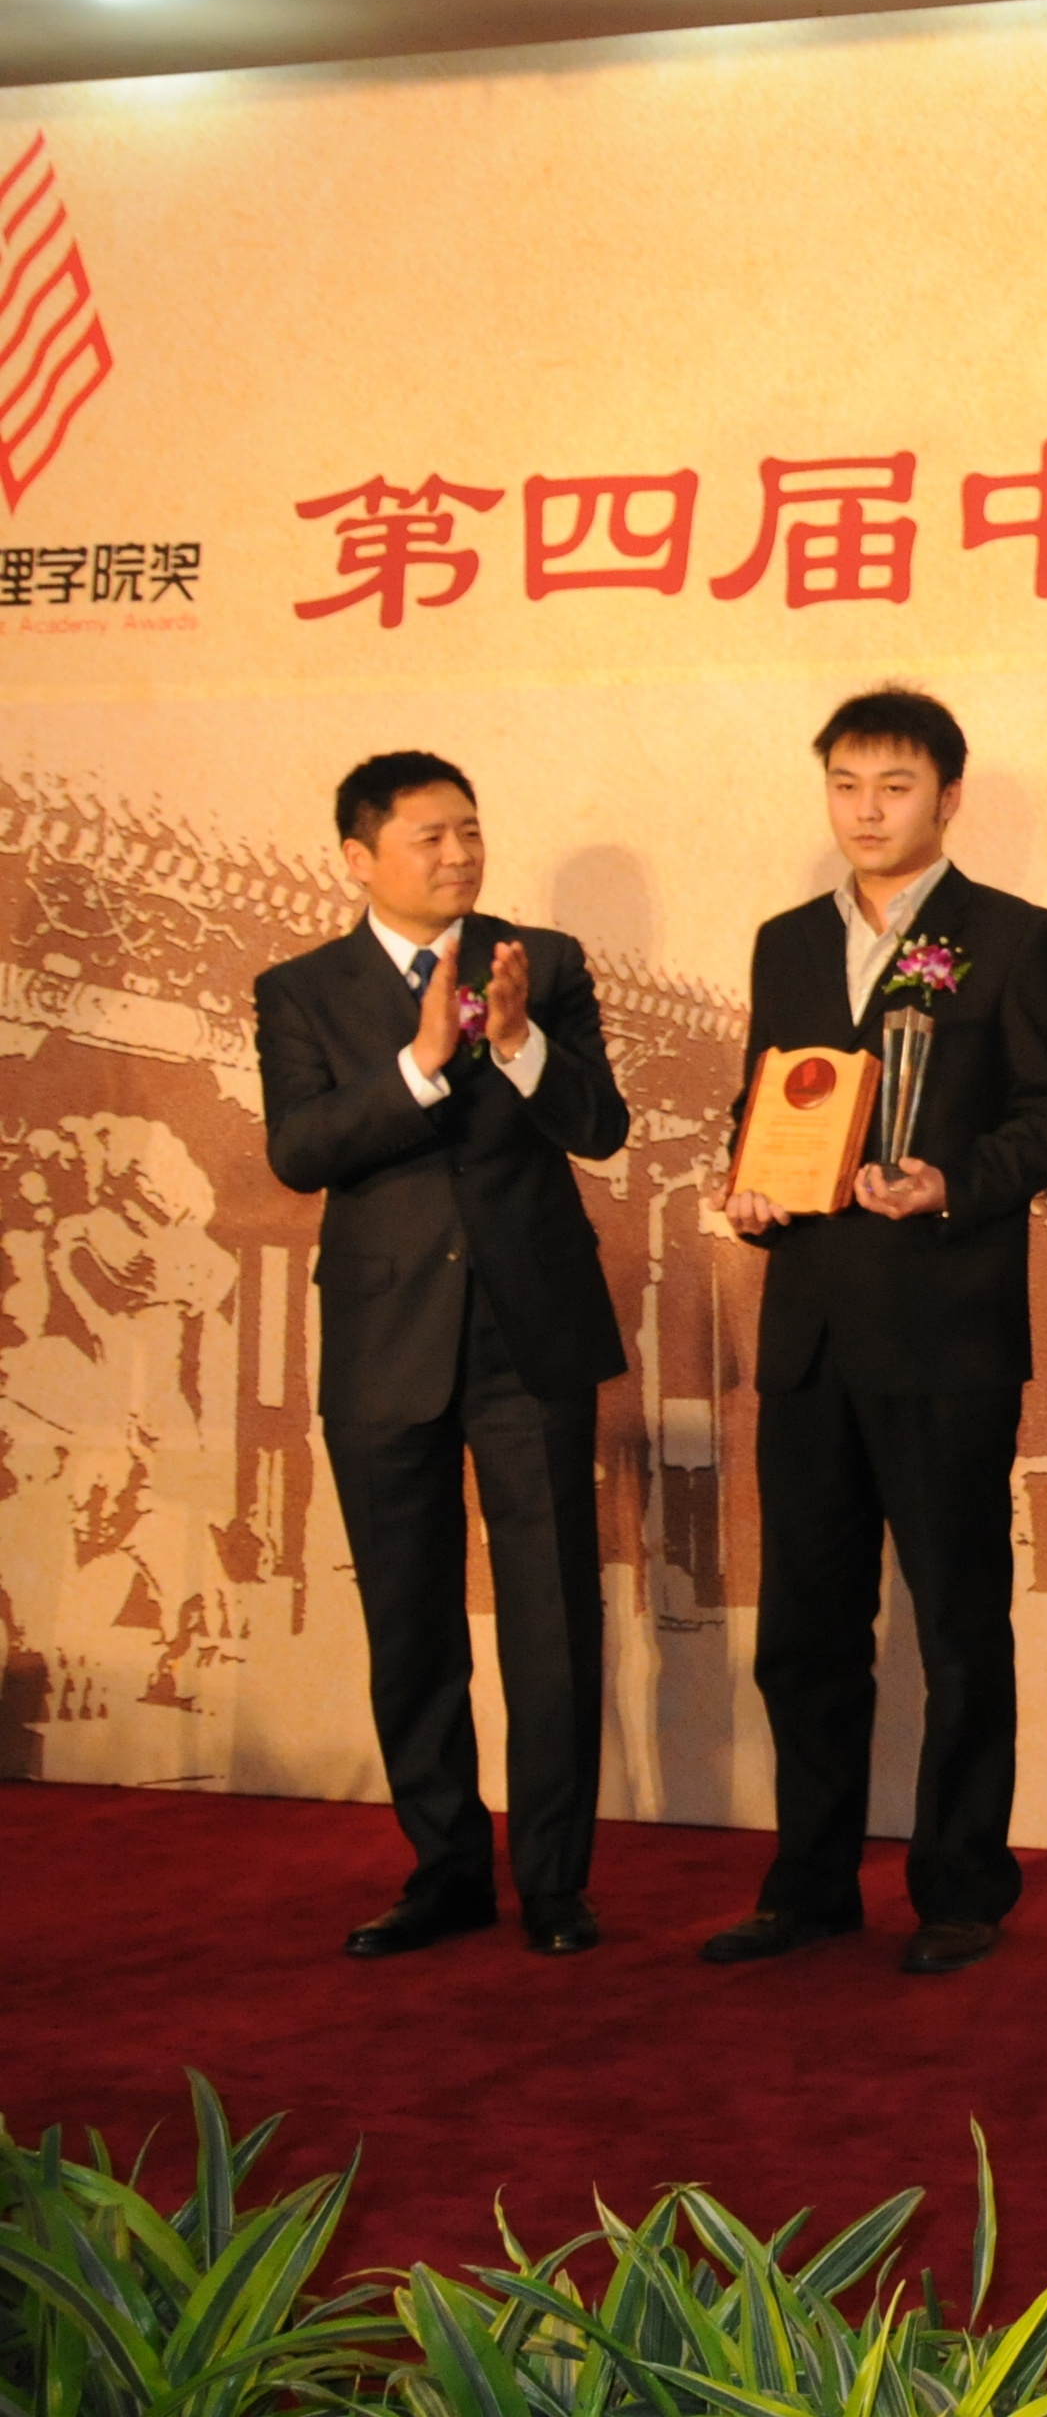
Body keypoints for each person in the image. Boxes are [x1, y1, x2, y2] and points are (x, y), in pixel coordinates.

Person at [702, 688, 1047, 1976]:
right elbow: (768, 1103)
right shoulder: (786, 942)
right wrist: (753, 1189)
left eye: (896, 786)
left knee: (960, 1628)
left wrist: (953, 1183)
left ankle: (963, 1887)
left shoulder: (1014, 937)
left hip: (943, 1333)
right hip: (811, 1333)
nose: (867, 811)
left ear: (949, 798)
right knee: (803, 1632)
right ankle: (808, 1884)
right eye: (847, 785)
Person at [252, 752, 630, 1958]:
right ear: (359, 857)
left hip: (531, 1329)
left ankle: (555, 1882)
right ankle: (445, 1871)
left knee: (551, 1614)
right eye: (431, 836)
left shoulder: (542, 962)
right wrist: (418, 1064)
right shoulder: (301, 990)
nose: (460, 853)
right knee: (410, 1619)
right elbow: (300, 1150)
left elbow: (601, 1126)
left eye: (470, 830)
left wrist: (518, 1044)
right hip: (386, 1338)